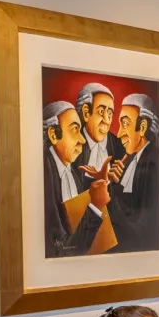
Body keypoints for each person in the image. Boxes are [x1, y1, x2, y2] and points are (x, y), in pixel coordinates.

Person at [43, 100, 111, 258]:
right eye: (75, 129)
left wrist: (101, 183)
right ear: (53, 135)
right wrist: (95, 206)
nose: (82, 139)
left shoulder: (72, 172)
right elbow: (63, 251)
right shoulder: (44, 178)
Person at [110, 92, 159, 253]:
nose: (118, 133)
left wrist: (111, 194)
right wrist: (114, 184)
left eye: (125, 124)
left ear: (143, 127)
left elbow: (140, 232)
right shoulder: (132, 159)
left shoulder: (153, 163)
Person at [73, 82, 124, 189]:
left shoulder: (119, 147)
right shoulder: (71, 146)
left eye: (110, 113)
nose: (107, 120)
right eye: (101, 111)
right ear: (86, 113)